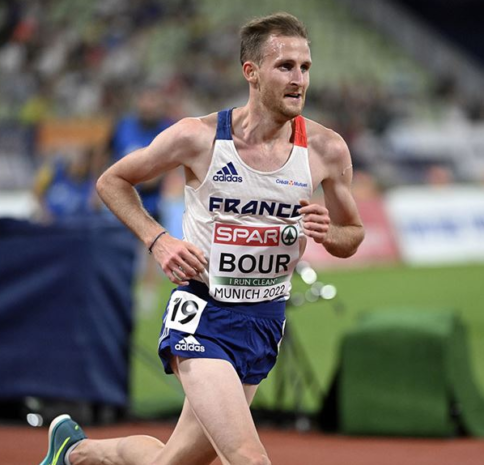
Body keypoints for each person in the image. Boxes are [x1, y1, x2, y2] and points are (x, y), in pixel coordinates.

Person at [38, 12, 364, 465]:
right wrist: (159, 240)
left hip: (264, 319)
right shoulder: (200, 137)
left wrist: (330, 233)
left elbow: (352, 234)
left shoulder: (326, 149)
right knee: (247, 457)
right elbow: (112, 181)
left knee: (171, 462)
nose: (299, 79)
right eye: (285, 66)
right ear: (251, 72)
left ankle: (75, 452)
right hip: (203, 313)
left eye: (305, 67)